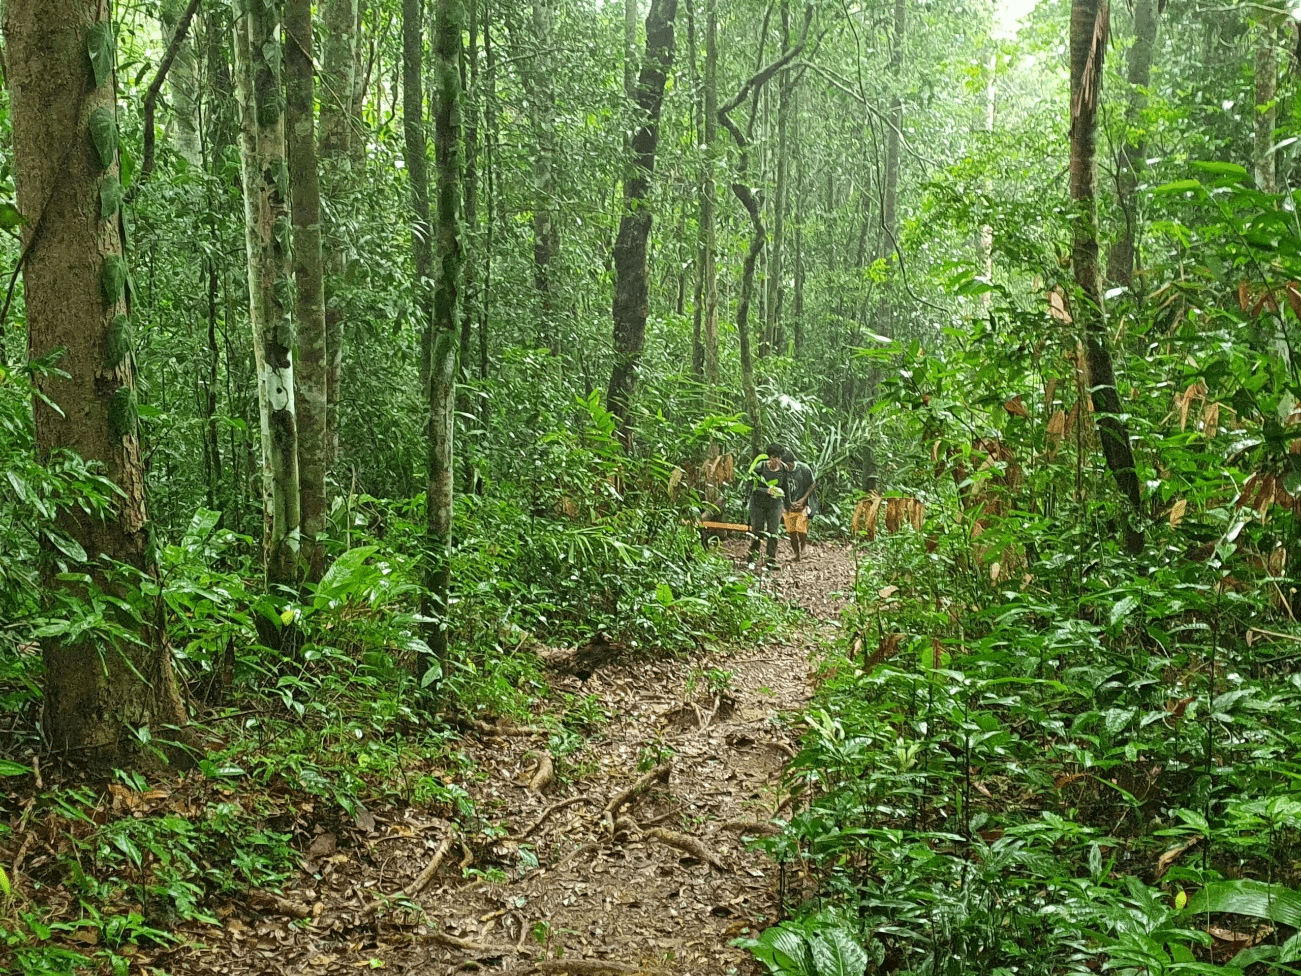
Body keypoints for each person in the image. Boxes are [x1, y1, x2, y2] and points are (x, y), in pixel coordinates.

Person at [746, 443, 788, 570]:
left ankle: (771, 560)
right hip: (758, 503)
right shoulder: (760, 467)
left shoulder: (784, 469)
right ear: (770, 457)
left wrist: (786, 505)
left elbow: (786, 487)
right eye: (775, 457)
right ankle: (752, 558)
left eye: (780, 458)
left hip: (775, 504)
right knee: (757, 531)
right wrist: (766, 491)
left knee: (773, 531)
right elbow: (750, 487)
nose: (777, 460)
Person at [782, 450, 817, 560]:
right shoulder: (781, 471)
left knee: (801, 528)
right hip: (788, 505)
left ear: (790, 463)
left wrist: (803, 500)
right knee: (791, 530)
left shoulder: (804, 469)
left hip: (801, 504)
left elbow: (812, 485)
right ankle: (796, 553)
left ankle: (804, 547)